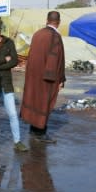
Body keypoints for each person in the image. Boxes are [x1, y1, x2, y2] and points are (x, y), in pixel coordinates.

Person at [20, 11, 66, 143]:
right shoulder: (55, 36)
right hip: (47, 77)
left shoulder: (37, 34)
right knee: (44, 103)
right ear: (58, 22)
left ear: (47, 20)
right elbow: (57, 59)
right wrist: (60, 79)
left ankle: (33, 129)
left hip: (34, 75)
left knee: (34, 100)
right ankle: (40, 133)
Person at [0, 16, 28, 153]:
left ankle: (17, 141)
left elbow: (14, 61)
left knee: (12, 114)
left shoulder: (9, 42)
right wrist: (4, 59)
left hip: (6, 83)